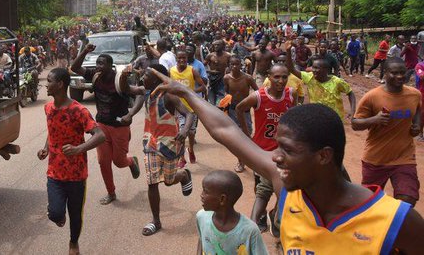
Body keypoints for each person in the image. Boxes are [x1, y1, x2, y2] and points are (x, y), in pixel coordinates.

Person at [148, 70, 424, 254]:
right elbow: (226, 131)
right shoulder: (286, 188)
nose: (275, 156)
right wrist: (188, 94)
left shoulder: (397, 221)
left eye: (288, 150)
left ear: (324, 156)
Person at [37, 68, 106, 255]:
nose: (46, 84)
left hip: (76, 175)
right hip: (54, 173)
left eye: (49, 80)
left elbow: (100, 136)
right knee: (55, 213)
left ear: (60, 84)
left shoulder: (79, 110)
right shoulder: (48, 108)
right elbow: (53, 132)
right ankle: (59, 216)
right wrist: (46, 148)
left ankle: (73, 243)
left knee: (75, 215)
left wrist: (78, 149)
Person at [122, 64, 195, 236]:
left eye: (146, 76)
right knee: (152, 181)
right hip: (151, 144)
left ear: (156, 78)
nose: (142, 79)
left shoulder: (169, 96)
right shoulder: (145, 91)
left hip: (169, 145)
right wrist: (124, 75)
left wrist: (184, 131)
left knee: (168, 181)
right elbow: (126, 88)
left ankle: (183, 175)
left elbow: (189, 114)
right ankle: (156, 220)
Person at [70, 44, 141, 205]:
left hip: (119, 127)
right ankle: (111, 192)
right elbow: (75, 67)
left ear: (110, 66)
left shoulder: (120, 79)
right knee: (103, 161)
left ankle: (130, 161)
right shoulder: (95, 76)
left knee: (119, 161)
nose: (98, 67)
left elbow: (140, 94)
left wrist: (130, 114)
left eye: (102, 64)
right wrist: (86, 51)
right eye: (97, 63)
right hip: (101, 126)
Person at [352, 58, 421, 207]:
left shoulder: (415, 94)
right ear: (385, 73)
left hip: (404, 157)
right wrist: (374, 120)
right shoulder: (372, 96)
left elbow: (418, 110)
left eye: (402, 73)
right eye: (394, 73)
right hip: (376, 159)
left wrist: (417, 125)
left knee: (408, 199)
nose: (399, 76)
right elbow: (355, 124)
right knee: (370, 203)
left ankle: (394, 227)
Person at [236, 64, 295, 235]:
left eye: (284, 77)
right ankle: (261, 216)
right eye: (277, 77)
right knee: (260, 187)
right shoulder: (258, 96)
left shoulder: (291, 95)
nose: (281, 81)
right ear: (269, 76)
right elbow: (239, 108)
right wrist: (247, 134)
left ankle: (276, 213)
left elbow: (295, 116)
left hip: (283, 152)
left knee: (283, 184)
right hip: (261, 150)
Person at [196, 170, 268, 255]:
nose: (201, 195)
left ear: (222, 199)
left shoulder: (250, 231)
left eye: (205, 191)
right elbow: (202, 240)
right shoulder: (201, 217)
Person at [285, 41, 356, 120]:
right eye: (313, 67)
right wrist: (288, 51)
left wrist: (353, 112)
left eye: (316, 68)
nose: (313, 70)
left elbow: (350, 93)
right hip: (317, 118)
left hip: (335, 119)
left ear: (325, 70)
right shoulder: (310, 78)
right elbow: (291, 69)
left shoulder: (337, 82)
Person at [170, 49, 206, 166]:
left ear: (187, 59)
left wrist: (191, 91)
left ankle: (190, 149)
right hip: (179, 107)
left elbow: (203, 87)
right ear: (176, 59)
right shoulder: (171, 71)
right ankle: (182, 158)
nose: (181, 60)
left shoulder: (192, 70)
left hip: (192, 106)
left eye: (183, 58)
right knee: (182, 132)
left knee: (191, 132)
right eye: (179, 58)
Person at [223, 56, 257, 173]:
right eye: (232, 64)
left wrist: (255, 105)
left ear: (241, 65)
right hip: (232, 111)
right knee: (237, 138)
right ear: (229, 65)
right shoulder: (227, 78)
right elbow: (226, 92)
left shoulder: (248, 78)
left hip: (245, 111)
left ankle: (252, 159)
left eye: (237, 64)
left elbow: (257, 92)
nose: (234, 67)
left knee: (247, 135)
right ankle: (241, 161)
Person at [205, 39, 231, 105]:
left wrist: (228, 70)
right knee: (211, 96)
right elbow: (203, 66)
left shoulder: (227, 56)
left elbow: (231, 66)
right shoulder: (210, 56)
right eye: (215, 45)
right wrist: (209, 71)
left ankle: (218, 109)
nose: (216, 46)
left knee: (220, 98)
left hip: (222, 79)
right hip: (212, 79)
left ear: (222, 46)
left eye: (218, 45)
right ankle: (212, 109)